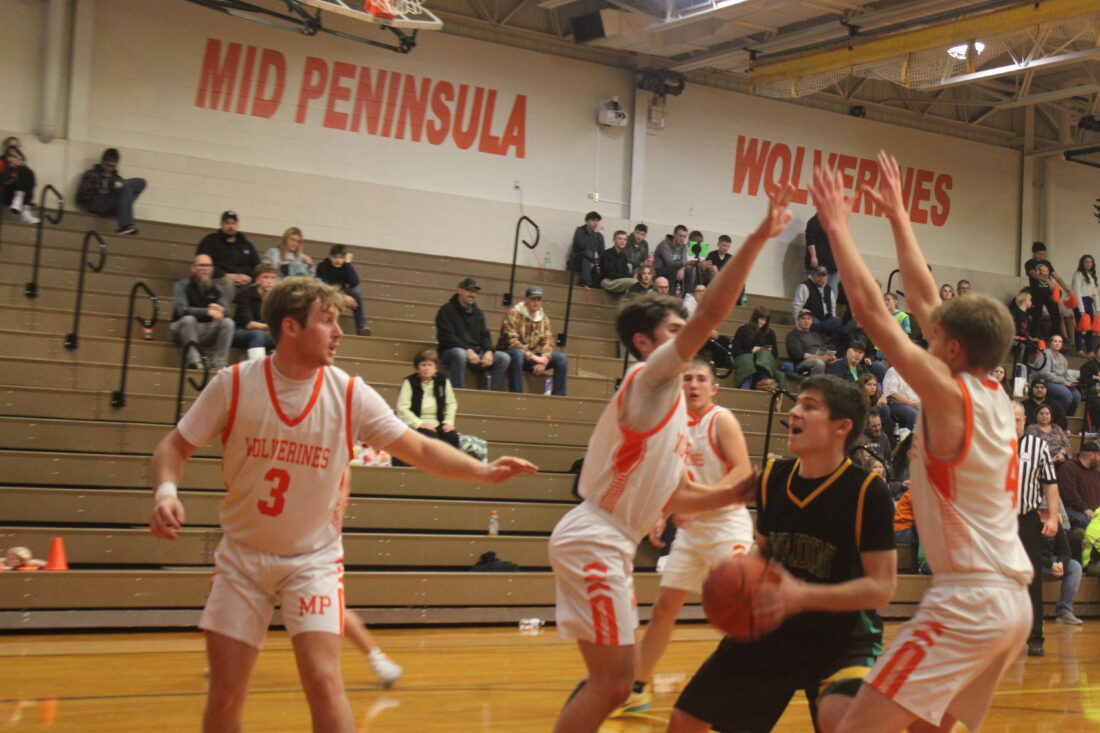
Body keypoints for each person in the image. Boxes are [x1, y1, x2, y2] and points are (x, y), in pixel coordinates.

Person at [148, 277, 537, 733]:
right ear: (290, 327)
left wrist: (482, 471)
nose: (339, 332)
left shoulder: (350, 393)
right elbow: (173, 448)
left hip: (312, 559)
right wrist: (166, 492)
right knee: (227, 692)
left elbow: (419, 447)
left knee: (325, 682)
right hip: (241, 558)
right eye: (327, 321)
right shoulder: (234, 384)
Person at [549, 183, 795, 733]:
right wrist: (758, 237)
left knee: (610, 683)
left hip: (608, 537)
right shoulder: (651, 379)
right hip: (598, 537)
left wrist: (731, 492)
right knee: (612, 684)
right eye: (675, 330)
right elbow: (712, 311)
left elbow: (674, 494)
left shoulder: (670, 408)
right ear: (644, 342)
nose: (689, 338)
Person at [813, 153, 1032, 733]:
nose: (927, 334)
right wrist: (897, 217)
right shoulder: (989, 390)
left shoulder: (949, 393)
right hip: (1010, 603)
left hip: (968, 603)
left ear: (952, 349)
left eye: (935, 336)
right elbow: (926, 299)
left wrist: (836, 227)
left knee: (853, 728)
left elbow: (872, 312)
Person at [669, 375, 897, 733]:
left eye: (809, 406)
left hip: (842, 637)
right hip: (772, 627)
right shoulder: (772, 478)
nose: (794, 412)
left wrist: (801, 595)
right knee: (685, 721)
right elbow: (763, 552)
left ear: (841, 427)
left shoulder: (868, 491)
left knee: (840, 719)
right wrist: (736, 578)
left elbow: (882, 588)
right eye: (797, 403)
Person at [629, 360, 754, 713]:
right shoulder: (673, 425)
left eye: (701, 379)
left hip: (726, 524)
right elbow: (669, 478)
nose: (694, 385)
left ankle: (749, 685)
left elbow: (743, 470)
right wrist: (660, 514)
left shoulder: (721, 420)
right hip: (691, 531)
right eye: (687, 379)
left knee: (739, 609)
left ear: (713, 388)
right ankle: (638, 687)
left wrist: (699, 506)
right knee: (665, 606)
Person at [1014, 401, 1062, 657]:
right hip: (996, 522)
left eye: (1017, 419)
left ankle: (1035, 637)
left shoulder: (1037, 446)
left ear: (1025, 420)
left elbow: (1050, 483)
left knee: (1032, 579)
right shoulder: (990, 445)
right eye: (1008, 419)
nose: (1012, 424)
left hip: (1026, 519)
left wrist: (1053, 518)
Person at [436, 277, 510, 391]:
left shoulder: (478, 313)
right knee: (460, 354)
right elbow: (447, 337)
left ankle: (488, 393)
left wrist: (489, 351)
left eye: (474, 292)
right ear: (460, 291)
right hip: (450, 351)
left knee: (504, 358)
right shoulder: (446, 310)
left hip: (475, 352)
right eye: (469, 291)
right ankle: (459, 391)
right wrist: (467, 350)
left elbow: (484, 334)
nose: (472, 294)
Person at [168, 254, 234, 370]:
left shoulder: (218, 287)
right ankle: (194, 361)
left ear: (212, 269)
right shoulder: (181, 284)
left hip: (207, 328)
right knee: (189, 319)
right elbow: (182, 310)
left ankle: (219, 363)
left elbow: (226, 311)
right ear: (193, 268)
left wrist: (220, 309)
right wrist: (207, 311)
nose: (205, 269)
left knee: (228, 322)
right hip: (183, 328)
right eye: (201, 265)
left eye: (208, 266)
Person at [498, 286, 567, 396]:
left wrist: (544, 360)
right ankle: (516, 395)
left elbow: (548, 340)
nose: (536, 302)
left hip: (530, 356)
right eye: (533, 299)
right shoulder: (513, 314)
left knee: (561, 359)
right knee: (518, 354)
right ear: (526, 299)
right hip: (510, 353)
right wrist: (535, 358)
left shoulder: (543, 318)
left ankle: (558, 397)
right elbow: (513, 342)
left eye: (539, 299)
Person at [395, 348, 460, 452]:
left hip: (439, 422)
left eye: (430, 365)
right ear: (417, 368)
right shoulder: (409, 382)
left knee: (451, 437)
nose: (426, 368)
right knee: (430, 438)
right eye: (423, 365)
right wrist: (419, 424)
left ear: (435, 369)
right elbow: (402, 408)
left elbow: (451, 403)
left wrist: (448, 422)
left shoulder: (443, 380)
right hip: (417, 423)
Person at [195, 211, 260, 306]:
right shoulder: (210, 241)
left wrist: (250, 278)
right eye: (227, 223)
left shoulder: (246, 244)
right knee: (227, 282)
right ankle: (225, 313)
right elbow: (203, 264)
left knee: (262, 285)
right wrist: (224, 275)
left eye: (233, 223)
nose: (230, 226)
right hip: (216, 281)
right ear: (221, 225)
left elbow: (257, 266)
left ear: (237, 225)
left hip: (243, 284)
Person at [75, 147, 145, 235]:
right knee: (123, 187)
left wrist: (114, 186)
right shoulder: (92, 174)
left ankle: (113, 185)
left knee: (141, 182)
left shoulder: (117, 178)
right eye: (108, 165)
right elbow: (79, 197)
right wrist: (97, 190)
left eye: (113, 166)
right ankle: (125, 226)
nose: (110, 169)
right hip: (98, 203)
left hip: (114, 205)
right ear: (103, 162)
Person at [315, 244, 370, 336]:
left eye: (341, 258)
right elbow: (324, 287)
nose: (338, 260)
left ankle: (361, 326)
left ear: (344, 258)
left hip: (341, 294)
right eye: (335, 257)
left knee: (355, 291)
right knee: (319, 285)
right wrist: (342, 297)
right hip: (326, 294)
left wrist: (348, 264)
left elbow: (354, 282)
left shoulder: (345, 267)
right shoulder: (323, 266)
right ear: (330, 257)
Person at [731, 306, 784, 392]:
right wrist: (751, 351)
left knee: (764, 355)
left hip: (763, 365)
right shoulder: (743, 330)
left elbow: (775, 354)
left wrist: (769, 351)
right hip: (745, 363)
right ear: (755, 318)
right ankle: (746, 388)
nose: (763, 322)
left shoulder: (770, 333)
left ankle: (765, 383)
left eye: (765, 320)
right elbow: (735, 351)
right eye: (761, 319)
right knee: (747, 361)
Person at [1041, 519, 1083, 626]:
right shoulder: (1028, 524)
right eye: (1043, 511)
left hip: (1051, 563)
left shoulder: (1055, 524)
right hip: (1032, 564)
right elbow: (1030, 554)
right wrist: (1050, 565)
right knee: (1029, 566)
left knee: (1075, 567)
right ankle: (1034, 614)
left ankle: (1064, 611)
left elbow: (1065, 551)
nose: (1046, 515)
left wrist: (1061, 564)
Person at [231, 263, 278, 359]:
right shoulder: (245, 293)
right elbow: (249, 324)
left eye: (272, 278)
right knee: (257, 334)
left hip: (267, 332)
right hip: (241, 332)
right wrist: (271, 327)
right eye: (265, 277)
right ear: (257, 280)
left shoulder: (277, 296)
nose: (269, 281)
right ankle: (258, 366)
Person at [1030, 334, 1080, 416]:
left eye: (1060, 342)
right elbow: (1045, 374)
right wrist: (1064, 382)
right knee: (1066, 395)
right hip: (1044, 381)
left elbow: (1065, 374)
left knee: (1077, 396)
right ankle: (1055, 416)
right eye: (1055, 341)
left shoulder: (1062, 358)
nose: (1057, 343)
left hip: (1059, 382)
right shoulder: (1044, 355)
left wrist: (1071, 382)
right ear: (1050, 343)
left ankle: (1067, 417)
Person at [1056, 440, 1100, 530]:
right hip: (1073, 509)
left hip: (1093, 511)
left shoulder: (1095, 472)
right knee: (1087, 522)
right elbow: (1070, 495)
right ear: (1092, 455)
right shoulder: (1068, 468)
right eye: (1099, 455)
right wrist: (1085, 509)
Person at [792, 266, 840, 338]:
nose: (821, 278)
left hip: (826, 319)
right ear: (813, 275)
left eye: (823, 275)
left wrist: (833, 318)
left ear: (826, 277)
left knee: (839, 324)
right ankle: (813, 342)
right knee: (814, 323)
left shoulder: (829, 289)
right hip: (810, 318)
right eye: (818, 275)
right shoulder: (804, 287)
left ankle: (831, 343)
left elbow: (832, 308)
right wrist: (797, 321)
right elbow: (797, 305)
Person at [786, 308, 835, 376]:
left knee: (839, 363)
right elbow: (798, 354)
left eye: (808, 318)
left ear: (812, 321)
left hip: (819, 359)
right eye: (803, 318)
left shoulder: (815, 335)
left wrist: (830, 357)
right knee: (818, 363)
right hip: (803, 363)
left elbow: (824, 349)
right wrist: (818, 357)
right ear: (798, 321)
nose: (806, 321)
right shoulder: (793, 335)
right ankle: (817, 383)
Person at [1, 137, 38, 223]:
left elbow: (30, 181)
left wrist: (18, 167)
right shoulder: (1, 161)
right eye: (12, 146)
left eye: (16, 147)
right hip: (4, 194)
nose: (14, 149)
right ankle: (19, 200)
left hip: (17, 195)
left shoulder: (21, 165)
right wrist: (9, 168)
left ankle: (25, 210)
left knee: (28, 173)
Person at [805, 213, 839, 294]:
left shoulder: (832, 222)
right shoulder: (814, 222)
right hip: (819, 264)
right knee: (817, 291)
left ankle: (830, 303)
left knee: (832, 291)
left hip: (832, 265)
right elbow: (810, 240)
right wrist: (813, 257)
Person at [654, 225, 692, 296]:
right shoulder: (664, 245)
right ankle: (670, 297)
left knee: (688, 271)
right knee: (673, 271)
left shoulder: (683, 247)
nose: (682, 239)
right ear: (674, 234)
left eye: (684, 237)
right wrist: (684, 264)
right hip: (659, 270)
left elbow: (684, 262)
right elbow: (670, 263)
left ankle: (686, 297)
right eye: (680, 236)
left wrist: (682, 269)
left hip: (674, 270)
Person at [571, 211, 604, 288]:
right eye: (593, 220)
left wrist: (595, 262)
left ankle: (597, 286)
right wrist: (595, 233)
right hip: (577, 261)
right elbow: (585, 246)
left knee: (604, 260)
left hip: (592, 262)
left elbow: (602, 253)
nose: (595, 223)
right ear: (586, 221)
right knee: (588, 252)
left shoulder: (599, 236)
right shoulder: (579, 231)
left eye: (597, 221)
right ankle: (586, 282)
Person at [1072, 255, 1098, 355]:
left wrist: (1098, 309)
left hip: (1089, 301)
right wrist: (1081, 309)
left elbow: (1095, 293)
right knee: (1080, 326)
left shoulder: (1091, 275)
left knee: (1089, 327)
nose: (1088, 264)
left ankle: (1090, 350)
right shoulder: (1078, 274)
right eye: (1086, 261)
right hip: (1080, 302)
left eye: (1090, 262)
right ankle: (1079, 349)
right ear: (1082, 263)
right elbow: (1077, 292)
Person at [882, 365, 920, 432]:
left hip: (915, 404)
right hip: (897, 404)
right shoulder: (893, 371)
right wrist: (912, 404)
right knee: (913, 414)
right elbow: (892, 394)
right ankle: (911, 437)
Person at [600, 231, 639, 295]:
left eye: (625, 239)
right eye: (619, 239)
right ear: (614, 240)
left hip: (618, 281)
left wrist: (633, 276)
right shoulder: (607, 254)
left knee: (637, 282)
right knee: (633, 282)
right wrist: (630, 278)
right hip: (607, 281)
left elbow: (626, 273)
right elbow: (610, 274)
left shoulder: (623, 257)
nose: (622, 241)